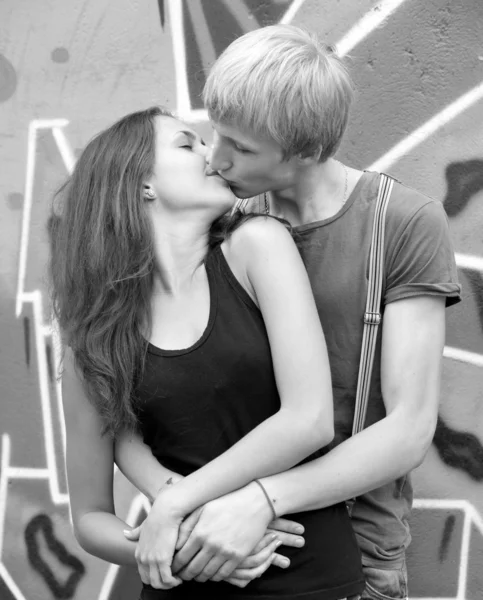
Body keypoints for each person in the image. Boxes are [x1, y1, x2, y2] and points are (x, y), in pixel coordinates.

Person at [119, 25, 461, 600]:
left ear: (306, 150)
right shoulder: (218, 220)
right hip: (217, 548)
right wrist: (183, 501)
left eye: (243, 149)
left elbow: (408, 429)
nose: (216, 159)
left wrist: (260, 500)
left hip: (354, 551)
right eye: (213, 134)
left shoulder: (400, 223)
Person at [49, 105, 365, 599]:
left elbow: (309, 420)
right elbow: (89, 516)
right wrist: (174, 551)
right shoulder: (93, 335)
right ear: (140, 185)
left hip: (308, 577)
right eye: (187, 144)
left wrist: (176, 505)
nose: (212, 156)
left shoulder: (256, 247)